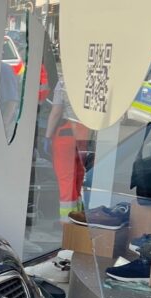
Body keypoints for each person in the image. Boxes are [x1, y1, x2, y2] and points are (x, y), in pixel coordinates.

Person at [44, 79, 85, 222]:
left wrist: (47, 136)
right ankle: (78, 217)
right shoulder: (91, 78)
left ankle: (67, 221)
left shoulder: (64, 81)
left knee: (66, 179)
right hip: (85, 133)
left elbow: (56, 112)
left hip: (66, 134)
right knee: (78, 178)